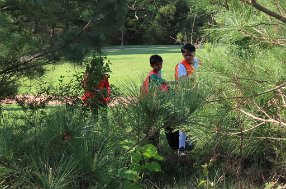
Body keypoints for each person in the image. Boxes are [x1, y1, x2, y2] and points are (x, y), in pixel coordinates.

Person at [168, 43, 202, 156]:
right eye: (185, 55)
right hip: (183, 96)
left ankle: (190, 143)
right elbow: (183, 80)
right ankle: (181, 148)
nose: (187, 57)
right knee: (183, 122)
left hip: (195, 95)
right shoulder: (181, 66)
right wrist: (196, 76)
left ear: (194, 53)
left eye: (190, 55)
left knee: (194, 120)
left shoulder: (197, 61)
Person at [140, 54, 169, 147]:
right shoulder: (153, 76)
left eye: (161, 64)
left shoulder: (158, 72)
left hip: (156, 100)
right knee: (154, 124)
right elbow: (163, 82)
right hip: (152, 101)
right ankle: (153, 144)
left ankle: (155, 143)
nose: (160, 67)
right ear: (152, 66)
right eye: (157, 65)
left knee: (156, 123)